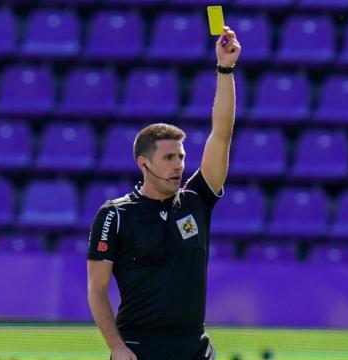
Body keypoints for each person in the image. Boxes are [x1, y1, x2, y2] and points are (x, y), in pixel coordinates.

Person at [87, 26, 241, 360]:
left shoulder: (196, 200)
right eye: (169, 158)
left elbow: (222, 134)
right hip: (140, 349)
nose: (178, 165)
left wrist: (225, 69)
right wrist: (117, 347)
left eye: (182, 157)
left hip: (194, 347)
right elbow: (97, 290)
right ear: (144, 163)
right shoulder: (114, 215)